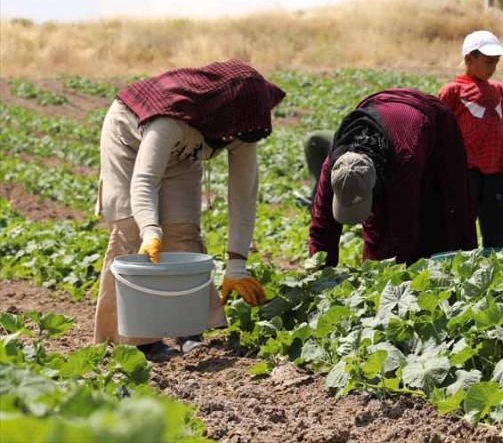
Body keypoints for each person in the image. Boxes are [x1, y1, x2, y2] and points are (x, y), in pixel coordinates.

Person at [94, 60, 285, 358]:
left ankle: (188, 330)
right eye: (235, 138)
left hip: (184, 152)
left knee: (183, 233)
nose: (237, 143)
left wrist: (236, 265)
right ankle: (141, 340)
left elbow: (243, 196)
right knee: (130, 232)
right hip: (129, 139)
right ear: (225, 120)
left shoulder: (245, 124)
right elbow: (143, 181)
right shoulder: (168, 120)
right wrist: (149, 231)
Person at [307, 89, 476, 266]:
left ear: (374, 185)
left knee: (442, 216)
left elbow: (402, 230)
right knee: (381, 233)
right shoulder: (335, 165)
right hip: (389, 116)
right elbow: (322, 225)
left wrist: (383, 276)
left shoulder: (405, 160)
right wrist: (320, 271)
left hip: (431, 127)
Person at [438, 30, 503, 248]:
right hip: (466, 171)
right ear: (469, 59)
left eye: (496, 63)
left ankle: (497, 270)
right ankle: (463, 271)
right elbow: (439, 135)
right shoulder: (453, 91)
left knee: (497, 228)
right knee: (461, 225)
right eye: (487, 62)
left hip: (496, 171)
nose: (492, 68)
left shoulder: (497, 90)